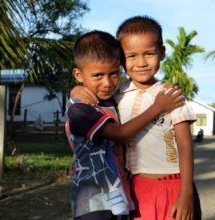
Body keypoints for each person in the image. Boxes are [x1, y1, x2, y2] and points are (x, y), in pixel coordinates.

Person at [70, 16, 201, 220]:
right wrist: (76, 90)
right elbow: (90, 91)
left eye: (149, 53)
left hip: (174, 186)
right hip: (136, 191)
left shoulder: (170, 96)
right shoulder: (117, 92)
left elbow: (185, 146)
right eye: (131, 56)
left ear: (162, 52)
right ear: (121, 59)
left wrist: (186, 194)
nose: (141, 63)